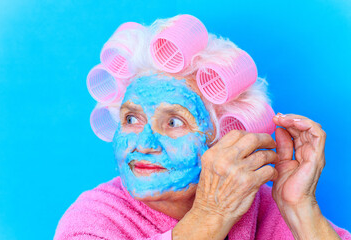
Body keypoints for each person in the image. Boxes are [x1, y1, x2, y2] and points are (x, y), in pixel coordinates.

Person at [54, 15, 351, 240]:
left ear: (223, 140)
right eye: (131, 119)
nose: (143, 143)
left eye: (173, 122)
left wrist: (301, 209)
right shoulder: (94, 218)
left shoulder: (263, 208)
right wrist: (212, 216)